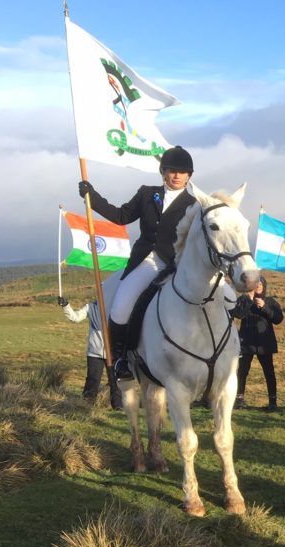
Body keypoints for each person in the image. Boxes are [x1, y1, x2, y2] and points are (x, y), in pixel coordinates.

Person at [78, 145, 197, 380]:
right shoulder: (146, 193)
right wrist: (92, 197)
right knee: (120, 308)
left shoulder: (195, 204)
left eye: (182, 172)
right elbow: (121, 216)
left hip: (177, 264)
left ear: (189, 176)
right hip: (147, 261)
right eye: (172, 170)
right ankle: (123, 359)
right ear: (163, 171)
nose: (176, 175)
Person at [58, 295, 122, 410]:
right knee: (93, 379)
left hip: (112, 353)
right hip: (94, 353)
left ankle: (118, 407)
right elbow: (75, 317)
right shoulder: (91, 307)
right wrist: (66, 306)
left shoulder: (116, 309)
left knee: (115, 380)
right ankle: (86, 405)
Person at [232, 276, 284, 411]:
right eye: (256, 284)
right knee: (242, 371)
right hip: (246, 342)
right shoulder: (244, 299)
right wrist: (249, 300)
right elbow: (237, 314)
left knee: (269, 372)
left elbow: (278, 319)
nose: (258, 286)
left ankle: (273, 402)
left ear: (264, 286)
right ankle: (239, 399)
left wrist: (265, 307)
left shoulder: (270, 301)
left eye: (261, 284)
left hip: (264, 344)